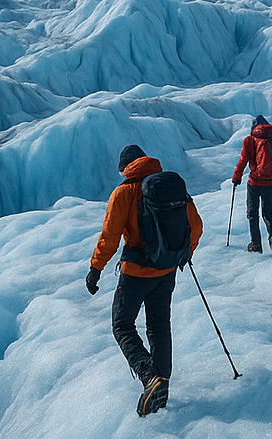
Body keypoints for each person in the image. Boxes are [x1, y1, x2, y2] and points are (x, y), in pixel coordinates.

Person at [86, 144, 204, 415]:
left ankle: (150, 378)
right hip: (167, 271)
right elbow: (195, 226)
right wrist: (182, 254)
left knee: (123, 325)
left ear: (126, 167)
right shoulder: (174, 189)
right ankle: (162, 384)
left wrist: (96, 268)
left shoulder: (124, 192)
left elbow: (110, 237)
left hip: (136, 272)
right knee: (159, 325)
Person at [232, 115, 272, 252]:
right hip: (271, 182)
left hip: (255, 183)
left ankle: (256, 244)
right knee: (268, 213)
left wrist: (236, 177)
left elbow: (243, 161)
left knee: (253, 214)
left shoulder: (249, 140)